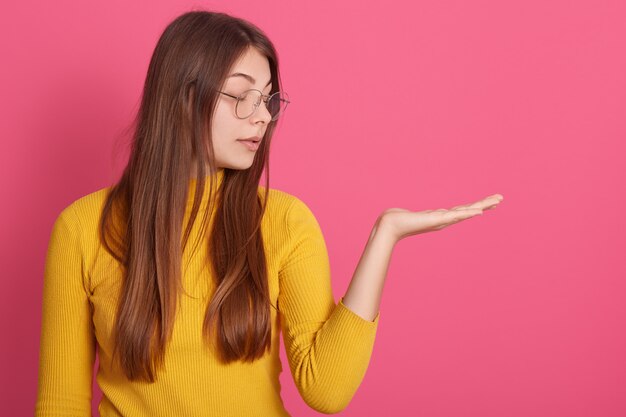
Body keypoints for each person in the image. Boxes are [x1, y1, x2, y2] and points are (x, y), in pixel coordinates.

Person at [34, 9, 503, 417]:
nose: (261, 116)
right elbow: (61, 406)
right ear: (181, 97)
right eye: (241, 95)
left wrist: (386, 235)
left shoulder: (284, 222)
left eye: (268, 100)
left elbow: (326, 388)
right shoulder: (82, 229)